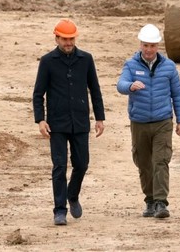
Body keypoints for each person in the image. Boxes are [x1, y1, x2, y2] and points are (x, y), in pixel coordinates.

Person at [32, 18, 105, 226]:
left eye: (71, 39)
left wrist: (100, 117)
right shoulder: (47, 61)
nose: (68, 43)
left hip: (81, 121)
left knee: (82, 164)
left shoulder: (86, 59)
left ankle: (72, 195)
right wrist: (40, 120)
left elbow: (95, 90)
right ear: (56, 38)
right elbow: (38, 94)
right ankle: (60, 210)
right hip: (57, 123)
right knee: (59, 166)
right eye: (64, 39)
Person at [116, 24, 180, 219]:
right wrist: (130, 86)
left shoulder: (169, 67)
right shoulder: (131, 65)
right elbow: (120, 85)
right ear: (140, 44)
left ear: (158, 46)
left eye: (152, 46)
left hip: (162, 121)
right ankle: (149, 200)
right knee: (143, 162)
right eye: (146, 45)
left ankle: (161, 202)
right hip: (139, 122)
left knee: (161, 160)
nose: (149, 50)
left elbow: (178, 94)